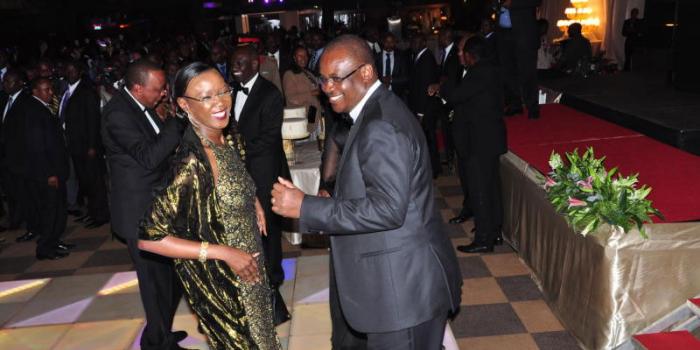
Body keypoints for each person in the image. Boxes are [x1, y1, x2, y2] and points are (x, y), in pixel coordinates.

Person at [271, 34, 461, 350]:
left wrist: (307, 207)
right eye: (323, 78)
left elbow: (388, 209)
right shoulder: (376, 110)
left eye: (336, 78)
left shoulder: (381, 126)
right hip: (399, 283)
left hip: (403, 292)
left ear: (366, 74)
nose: (327, 87)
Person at [138, 62, 281, 350]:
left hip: (250, 264)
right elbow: (149, 239)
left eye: (223, 91)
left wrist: (252, 202)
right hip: (224, 282)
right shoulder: (191, 162)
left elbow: (237, 171)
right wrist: (225, 253)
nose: (219, 103)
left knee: (264, 337)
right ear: (184, 105)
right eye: (205, 97)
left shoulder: (227, 134)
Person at [101, 59, 188, 350]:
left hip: (155, 207)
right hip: (138, 212)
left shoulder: (141, 107)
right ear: (137, 88)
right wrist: (176, 123)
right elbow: (149, 157)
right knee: (153, 283)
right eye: (158, 89)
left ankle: (157, 333)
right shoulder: (117, 115)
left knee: (167, 278)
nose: (163, 93)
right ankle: (159, 343)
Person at [230, 45, 291, 325]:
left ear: (255, 63)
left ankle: (273, 282)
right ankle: (254, 280)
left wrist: (235, 150)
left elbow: (269, 138)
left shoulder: (270, 94)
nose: (236, 67)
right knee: (247, 229)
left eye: (241, 62)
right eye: (233, 62)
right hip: (240, 174)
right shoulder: (230, 91)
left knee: (268, 229)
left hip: (264, 172)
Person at [431, 36, 507, 253]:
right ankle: (494, 232)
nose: (459, 55)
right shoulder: (489, 70)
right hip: (488, 140)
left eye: (462, 52)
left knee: (481, 190)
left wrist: (441, 87)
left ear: (471, 54)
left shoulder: (479, 72)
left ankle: (484, 239)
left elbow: (456, 95)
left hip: (479, 142)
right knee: (491, 188)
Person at [60, 60, 110, 229]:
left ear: (80, 72)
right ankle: (91, 211)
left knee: (95, 181)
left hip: (86, 145)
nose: (69, 74)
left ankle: (101, 214)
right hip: (74, 144)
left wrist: (91, 146)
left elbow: (93, 121)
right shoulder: (67, 91)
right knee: (84, 181)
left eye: (73, 71)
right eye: (67, 71)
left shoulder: (86, 92)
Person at [25, 78, 71, 260]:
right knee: (50, 210)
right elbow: (38, 147)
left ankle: (54, 241)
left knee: (58, 208)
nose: (50, 93)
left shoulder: (42, 107)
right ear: (35, 91)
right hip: (48, 172)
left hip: (56, 167)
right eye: (46, 90)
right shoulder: (34, 111)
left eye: (51, 89)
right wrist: (49, 173)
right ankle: (45, 248)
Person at [497, 0, 542, 119]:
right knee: (508, 70)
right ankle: (515, 104)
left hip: (524, 33)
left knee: (527, 71)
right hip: (503, 32)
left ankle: (532, 107)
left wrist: (512, 3)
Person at [408, 33, 441, 177]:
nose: (413, 44)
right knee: (426, 139)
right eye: (412, 41)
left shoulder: (426, 58)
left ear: (423, 43)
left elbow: (425, 87)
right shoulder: (419, 56)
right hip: (422, 107)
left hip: (426, 108)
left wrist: (420, 113)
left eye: (416, 41)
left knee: (429, 139)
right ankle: (430, 168)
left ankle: (434, 169)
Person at [282, 46, 322, 132]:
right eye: (300, 56)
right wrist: (311, 93)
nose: (304, 58)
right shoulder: (289, 74)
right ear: (294, 58)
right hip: (301, 117)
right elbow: (291, 98)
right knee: (307, 142)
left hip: (314, 114)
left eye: (305, 56)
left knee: (316, 142)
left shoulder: (308, 73)